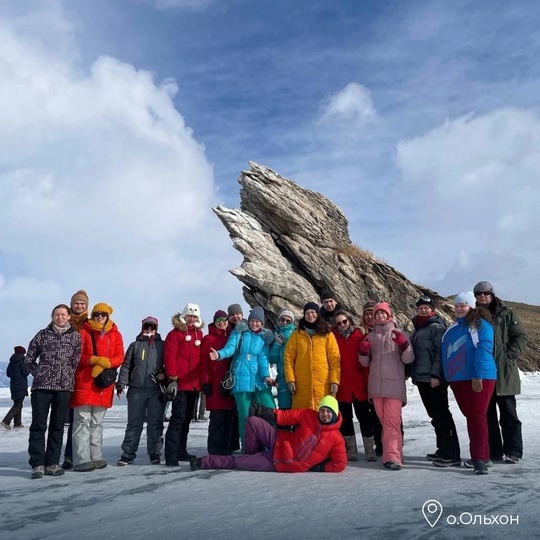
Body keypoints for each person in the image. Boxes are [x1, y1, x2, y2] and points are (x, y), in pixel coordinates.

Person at [190, 395, 346, 473]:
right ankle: (252, 453)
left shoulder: (336, 439)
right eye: (323, 410)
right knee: (252, 421)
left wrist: (316, 467)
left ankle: (204, 462)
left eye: (328, 412)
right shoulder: (308, 414)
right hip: (279, 440)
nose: (324, 414)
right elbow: (285, 417)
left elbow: (340, 464)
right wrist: (262, 411)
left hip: (281, 462)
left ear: (334, 413)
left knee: (237, 463)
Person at [441, 292, 497, 475]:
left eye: (463, 305)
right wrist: (448, 376)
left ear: (472, 306)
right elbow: (446, 354)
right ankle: (485, 455)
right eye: (456, 305)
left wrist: (477, 375)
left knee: (476, 416)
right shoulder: (451, 330)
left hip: (479, 377)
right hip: (457, 379)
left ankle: (479, 458)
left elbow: (484, 349)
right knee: (471, 415)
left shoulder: (480, 326)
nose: (458, 308)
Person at [25, 305, 82, 479]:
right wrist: (40, 373)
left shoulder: (75, 336)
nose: (60, 317)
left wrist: (65, 375)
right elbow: (29, 359)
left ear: (68, 316)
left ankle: (52, 463)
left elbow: (75, 361)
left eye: (63, 314)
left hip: (64, 388)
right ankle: (37, 463)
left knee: (57, 426)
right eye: (57, 314)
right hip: (42, 388)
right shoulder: (42, 334)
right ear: (52, 316)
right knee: (38, 426)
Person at [473, 280, 527, 464]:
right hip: (484, 373)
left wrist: (509, 355)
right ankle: (494, 451)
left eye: (485, 293)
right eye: (478, 294)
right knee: (487, 416)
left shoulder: (507, 314)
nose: (482, 296)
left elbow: (520, 336)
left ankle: (513, 451)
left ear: (492, 294)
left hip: (504, 372)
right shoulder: (472, 316)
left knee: (509, 414)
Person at [209, 306, 275, 449]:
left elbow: (264, 359)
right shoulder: (240, 332)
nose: (255, 324)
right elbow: (230, 348)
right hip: (240, 379)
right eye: (252, 320)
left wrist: (266, 377)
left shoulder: (264, 337)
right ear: (249, 320)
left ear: (262, 323)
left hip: (259, 381)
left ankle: (270, 446)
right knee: (245, 416)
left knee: (270, 410)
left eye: (258, 321)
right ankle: (248, 448)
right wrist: (219, 354)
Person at [359, 302, 414, 471]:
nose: (380, 316)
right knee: (385, 422)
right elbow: (365, 362)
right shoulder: (370, 337)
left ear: (389, 315)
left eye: (383, 313)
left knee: (391, 422)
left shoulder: (399, 333)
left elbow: (408, 359)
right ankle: (392, 453)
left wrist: (404, 344)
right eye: (377, 314)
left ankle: (393, 457)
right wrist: (362, 351)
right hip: (376, 386)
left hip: (394, 385)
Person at [71, 302, 124, 472]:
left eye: (103, 314)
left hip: (103, 384)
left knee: (97, 422)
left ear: (108, 315)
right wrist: (93, 360)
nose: (100, 317)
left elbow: (119, 357)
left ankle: (96, 456)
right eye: (96, 314)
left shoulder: (116, 334)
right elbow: (76, 357)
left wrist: (107, 362)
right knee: (82, 421)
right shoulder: (84, 332)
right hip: (85, 382)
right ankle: (81, 459)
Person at [409, 296, 460, 467]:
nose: (423, 310)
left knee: (442, 415)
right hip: (423, 378)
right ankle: (442, 449)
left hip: (434, 379)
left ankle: (452, 453)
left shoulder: (436, 327)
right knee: (435, 416)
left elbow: (440, 352)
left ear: (432, 310)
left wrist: (436, 375)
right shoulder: (420, 326)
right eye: (420, 307)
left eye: (426, 307)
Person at [116, 316, 166, 465]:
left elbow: (169, 364)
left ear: (156, 328)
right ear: (142, 328)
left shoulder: (162, 345)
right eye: (146, 326)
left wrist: (166, 376)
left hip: (156, 390)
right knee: (134, 422)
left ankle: (155, 453)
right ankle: (128, 453)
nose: (149, 329)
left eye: (152, 326)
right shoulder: (135, 345)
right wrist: (121, 383)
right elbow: (126, 366)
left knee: (155, 422)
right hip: (136, 390)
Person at [332, 311, 377, 462]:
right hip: (343, 384)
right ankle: (351, 449)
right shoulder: (333, 337)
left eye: (344, 322)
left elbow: (365, 362)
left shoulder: (359, 335)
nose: (342, 325)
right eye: (338, 323)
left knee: (364, 417)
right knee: (346, 419)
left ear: (349, 321)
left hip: (359, 384)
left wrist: (368, 383)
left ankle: (369, 449)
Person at [163, 303, 205, 466]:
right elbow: (170, 357)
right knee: (177, 418)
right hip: (180, 384)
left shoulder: (199, 335)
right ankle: (171, 454)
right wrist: (172, 378)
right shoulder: (174, 335)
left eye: (194, 317)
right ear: (184, 316)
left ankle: (181, 450)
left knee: (187, 418)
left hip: (194, 384)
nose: (191, 319)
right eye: (189, 316)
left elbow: (201, 360)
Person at [284, 302, 340, 410]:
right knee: (302, 418)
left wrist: (334, 380)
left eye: (313, 312)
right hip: (301, 385)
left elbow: (334, 359)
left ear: (318, 314)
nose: (310, 315)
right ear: (304, 315)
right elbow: (288, 359)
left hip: (323, 383)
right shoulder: (296, 334)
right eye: (307, 313)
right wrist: (290, 379)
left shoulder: (327, 334)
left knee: (324, 415)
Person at [200, 310, 237, 455]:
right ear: (214, 322)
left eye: (224, 319)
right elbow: (204, 362)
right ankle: (215, 451)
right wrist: (206, 382)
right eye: (218, 320)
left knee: (229, 420)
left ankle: (227, 450)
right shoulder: (208, 339)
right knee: (217, 419)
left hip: (230, 384)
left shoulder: (232, 336)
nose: (221, 323)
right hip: (215, 385)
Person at [62, 289, 90, 470]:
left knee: (79, 419)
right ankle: (63, 455)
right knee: (62, 419)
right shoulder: (64, 321)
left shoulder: (90, 323)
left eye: (82, 304)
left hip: (83, 377)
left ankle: (74, 455)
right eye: (76, 303)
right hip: (64, 376)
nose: (79, 306)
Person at [269, 308, 296, 410]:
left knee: (297, 407)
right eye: (282, 319)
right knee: (284, 408)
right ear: (278, 321)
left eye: (288, 321)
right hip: (281, 377)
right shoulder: (275, 335)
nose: (285, 322)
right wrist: (276, 345)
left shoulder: (296, 335)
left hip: (295, 376)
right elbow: (272, 359)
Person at [1, 346, 29, 430]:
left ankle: (17, 423)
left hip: (13, 385)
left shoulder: (11, 362)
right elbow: (25, 373)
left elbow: (8, 374)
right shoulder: (22, 361)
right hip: (21, 385)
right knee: (18, 404)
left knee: (18, 403)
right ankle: (6, 421)